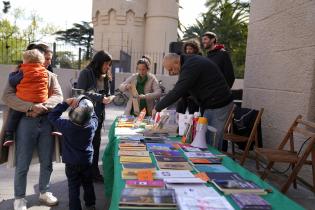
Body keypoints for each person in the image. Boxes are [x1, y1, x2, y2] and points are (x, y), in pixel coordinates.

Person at [1, 44, 63, 210]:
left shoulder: (50, 76)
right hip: (25, 122)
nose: (48, 62)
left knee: (47, 161)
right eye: (47, 58)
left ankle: (45, 192)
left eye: (50, 59)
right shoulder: (18, 74)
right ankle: (19, 198)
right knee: (23, 162)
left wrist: (42, 106)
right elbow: (6, 96)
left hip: (47, 122)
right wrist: (30, 106)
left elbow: (58, 96)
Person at [152, 53, 233, 151]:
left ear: (177, 62)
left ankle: (211, 163)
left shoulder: (191, 65)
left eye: (171, 69)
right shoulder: (188, 63)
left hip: (219, 104)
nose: (171, 73)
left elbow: (179, 90)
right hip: (210, 104)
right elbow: (182, 90)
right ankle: (205, 160)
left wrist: (157, 107)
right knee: (204, 138)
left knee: (211, 140)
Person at [48, 96, 98, 210]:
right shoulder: (91, 126)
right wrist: (88, 105)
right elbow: (94, 116)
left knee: (73, 186)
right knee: (88, 184)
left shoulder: (66, 125)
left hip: (71, 162)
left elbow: (52, 116)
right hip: (86, 161)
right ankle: (91, 205)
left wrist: (65, 103)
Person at [77, 50, 114, 182]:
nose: (108, 67)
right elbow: (80, 93)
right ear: (98, 62)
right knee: (85, 146)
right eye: (106, 64)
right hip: (86, 116)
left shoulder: (105, 76)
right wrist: (100, 98)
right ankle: (82, 175)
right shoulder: (86, 73)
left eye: (109, 64)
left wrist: (109, 97)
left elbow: (107, 93)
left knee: (96, 145)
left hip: (99, 116)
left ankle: (94, 173)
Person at [2, 49, 48, 147]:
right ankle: (57, 128)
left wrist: (12, 74)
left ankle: (9, 134)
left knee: (14, 114)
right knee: (51, 113)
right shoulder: (44, 71)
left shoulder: (23, 70)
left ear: (26, 61)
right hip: (41, 99)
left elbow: (13, 82)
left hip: (25, 99)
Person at [176, 40, 201, 114]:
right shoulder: (183, 58)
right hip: (183, 88)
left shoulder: (199, 58)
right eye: (187, 49)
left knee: (193, 113)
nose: (188, 51)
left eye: (190, 49)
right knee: (180, 111)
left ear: (195, 49)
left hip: (194, 91)